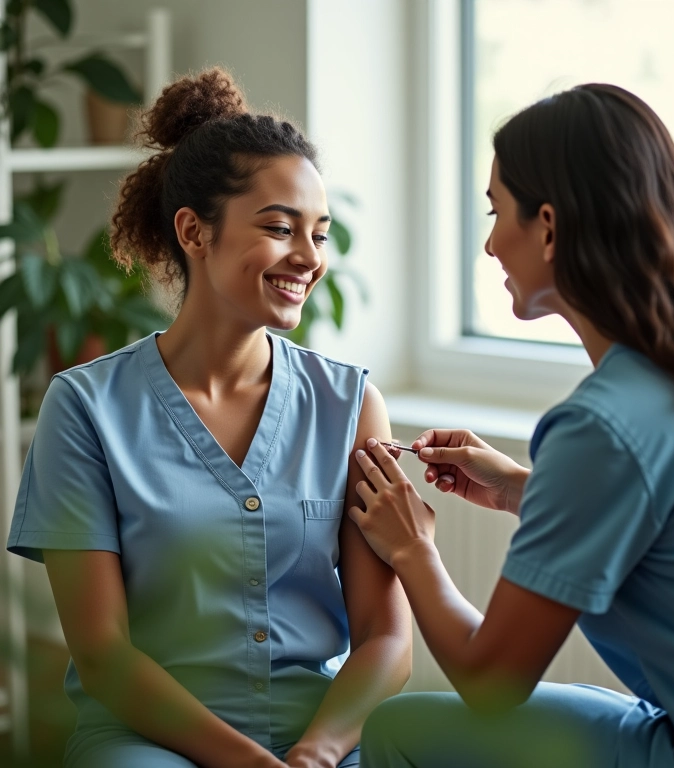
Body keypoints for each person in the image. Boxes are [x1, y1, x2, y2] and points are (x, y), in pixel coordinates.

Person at [349, 84, 674, 768]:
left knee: (398, 730)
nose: (490, 244)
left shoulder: (600, 427)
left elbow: (490, 682)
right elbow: (666, 520)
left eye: (496, 212)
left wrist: (412, 549)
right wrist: (519, 489)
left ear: (548, 226)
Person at [6, 68, 412, 768]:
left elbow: (386, 638)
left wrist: (316, 753)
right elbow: (102, 654)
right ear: (194, 231)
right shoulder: (85, 409)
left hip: (319, 737)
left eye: (319, 234)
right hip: (145, 740)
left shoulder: (351, 406)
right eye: (280, 229)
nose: (309, 258)